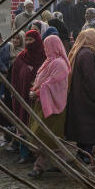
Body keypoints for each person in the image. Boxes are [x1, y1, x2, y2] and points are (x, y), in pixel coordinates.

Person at [29, 35, 70, 176]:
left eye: (47, 46)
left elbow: (51, 84)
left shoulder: (60, 64)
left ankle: (39, 167)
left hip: (54, 106)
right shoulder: (48, 62)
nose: (46, 49)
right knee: (48, 137)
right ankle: (61, 163)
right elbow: (41, 81)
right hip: (44, 104)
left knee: (45, 136)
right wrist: (34, 90)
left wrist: (38, 92)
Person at [65, 29, 95, 160]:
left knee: (81, 126)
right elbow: (90, 78)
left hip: (78, 96)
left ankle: (81, 152)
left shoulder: (78, 52)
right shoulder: (87, 54)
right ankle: (87, 154)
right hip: (87, 98)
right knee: (88, 126)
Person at [11, 29, 45, 163]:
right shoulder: (21, 57)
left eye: (31, 40)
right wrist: (14, 92)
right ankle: (24, 153)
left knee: (36, 123)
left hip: (37, 98)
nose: (28, 42)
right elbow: (14, 76)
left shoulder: (44, 56)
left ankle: (38, 154)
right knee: (23, 122)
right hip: (22, 96)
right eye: (27, 40)